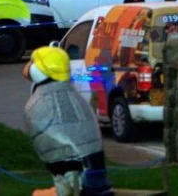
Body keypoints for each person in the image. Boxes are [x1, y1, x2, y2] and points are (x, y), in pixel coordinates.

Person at [24, 47, 114, 196]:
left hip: (77, 180)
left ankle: (65, 188)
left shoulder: (39, 103)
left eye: (33, 62)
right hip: (96, 175)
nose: (28, 66)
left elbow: (49, 146)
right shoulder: (75, 97)